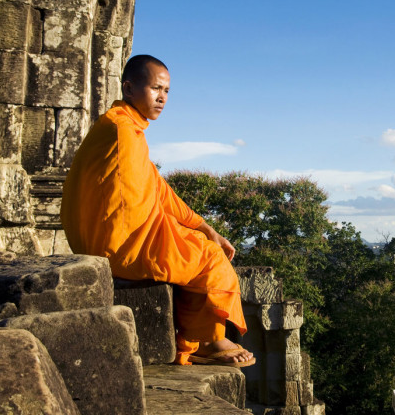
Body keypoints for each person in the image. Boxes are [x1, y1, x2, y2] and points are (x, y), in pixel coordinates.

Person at [61, 54, 254, 367]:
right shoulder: (121, 131)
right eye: (155, 88)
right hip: (117, 245)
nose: (162, 97)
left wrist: (205, 228)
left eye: (166, 90)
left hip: (105, 238)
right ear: (129, 88)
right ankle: (208, 342)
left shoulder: (125, 127)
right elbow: (133, 206)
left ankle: (195, 337)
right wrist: (191, 235)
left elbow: (157, 191)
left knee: (199, 245)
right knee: (210, 259)